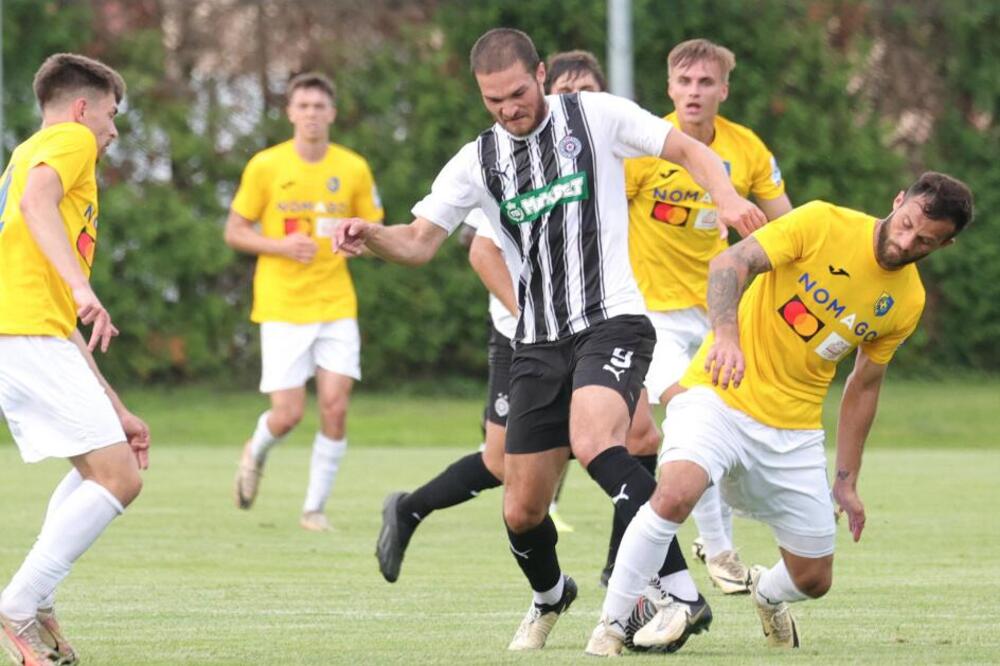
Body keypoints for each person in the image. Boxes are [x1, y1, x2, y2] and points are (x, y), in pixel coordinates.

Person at [334, 28, 765, 654]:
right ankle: (550, 596)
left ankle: (676, 590)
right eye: (493, 101)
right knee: (521, 510)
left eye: (515, 94)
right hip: (534, 342)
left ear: (539, 74)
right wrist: (369, 235)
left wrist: (725, 197)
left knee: (599, 441)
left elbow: (685, 150)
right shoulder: (476, 161)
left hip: (611, 319)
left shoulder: (594, 115)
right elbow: (419, 241)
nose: (508, 110)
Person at [593, 172, 973, 653]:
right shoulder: (820, 221)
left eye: (925, 241)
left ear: (946, 243)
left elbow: (863, 385)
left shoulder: (907, 300)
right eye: (907, 223)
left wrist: (847, 480)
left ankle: (768, 596)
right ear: (898, 200)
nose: (906, 241)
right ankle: (610, 625)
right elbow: (731, 262)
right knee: (675, 493)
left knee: (814, 577)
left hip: (793, 429)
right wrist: (726, 338)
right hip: (720, 394)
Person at [374, 49, 663, 583]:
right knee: (505, 463)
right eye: (568, 91)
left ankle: (626, 568)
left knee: (636, 436)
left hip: (592, 324)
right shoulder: (509, 161)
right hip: (524, 335)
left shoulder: (602, 145)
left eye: (587, 94)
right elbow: (480, 251)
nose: (578, 103)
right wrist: (535, 314)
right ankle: (410, 508)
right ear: (548, 85)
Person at [611, 38, 794, 594]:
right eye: (684, 82)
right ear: (669, 88)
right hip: (652, 317)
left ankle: (710, 544)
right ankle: (719, 551)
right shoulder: (645, 147)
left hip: (723, 319)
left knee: (719, 424)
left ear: (724, 90)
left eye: (706, 83)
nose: (694, 92)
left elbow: (785, 230)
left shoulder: (750, 150)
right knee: (692, 410)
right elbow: (604, 226)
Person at [0, 53, 150, 666]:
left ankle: (36, 601)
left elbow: (58, 309)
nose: (114, 130)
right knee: (120, 478)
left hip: (35, 334)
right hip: (25, 334)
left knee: (107, 464)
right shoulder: (67, 139)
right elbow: (37, 204)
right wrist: (86, 289)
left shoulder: (36, 152)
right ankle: (17, 606)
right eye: (112, 115)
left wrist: (117, 408)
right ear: (83, 108)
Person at [226, 73, 383, 532]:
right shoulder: (266, 166)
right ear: (290, 112)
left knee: (335, 406)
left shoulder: (352, 168)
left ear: (332, 113)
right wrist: (280, 247)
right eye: (304, 106)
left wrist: (361, 242)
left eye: (320, 106)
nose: (312, 113)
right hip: (282, 306)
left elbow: (375, 233)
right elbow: (235, 230)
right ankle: (255, 450)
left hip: (335, 304)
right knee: (289, 413)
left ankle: (313, 509)